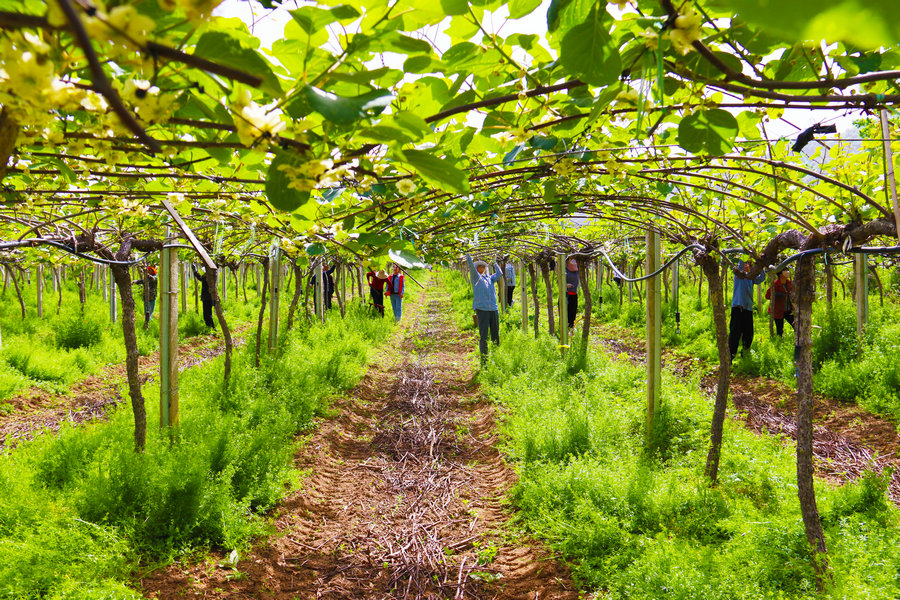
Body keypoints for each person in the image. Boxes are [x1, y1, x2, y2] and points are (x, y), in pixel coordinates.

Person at [465, 254, 503, 357]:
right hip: (482, 310)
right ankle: (484, 355)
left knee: (495, 333)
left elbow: (500, 273)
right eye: (481, 266)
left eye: (484, 266)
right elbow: (471, 267)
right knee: (484, 334)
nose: (483, 267)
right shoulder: (476, 278)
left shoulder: (490, 279)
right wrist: (468, 255)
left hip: (494, 309)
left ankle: (496, 353)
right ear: (477, 268)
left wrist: (495, 263)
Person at [728, 260, 766, 362]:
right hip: (738, 308)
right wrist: (745, 256)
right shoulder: (739, 275)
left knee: (748, 334)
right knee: (735, 334)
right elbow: (740, 265)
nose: (747, 265)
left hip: (748, 309)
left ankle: (745, 354)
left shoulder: (751, 278)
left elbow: (761, 278)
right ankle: (730, 357)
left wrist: (760, 265)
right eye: (745, 264)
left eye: (749, 264)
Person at [765, 268, 795, 337]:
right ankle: (779, 342)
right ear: (780, 274)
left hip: (788, 310)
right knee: (780, 330)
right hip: (778, 311)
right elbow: (767, 296)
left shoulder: (789, 283)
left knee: (796, 325)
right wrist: (776, 294)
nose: (787, 272)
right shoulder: (775, 284)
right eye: (785, 271)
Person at [192, 264, 216, 330]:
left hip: (207, 297)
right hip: (210, 297)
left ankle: (211, 326)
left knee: (207, 313)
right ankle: (210, 326)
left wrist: (195, 271)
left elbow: (200, 278)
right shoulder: (212, 276)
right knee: (208, 312)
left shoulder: (207, 277)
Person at [565, 258, 579, 330]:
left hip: (574, 294)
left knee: (572, 313)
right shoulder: (564, 270)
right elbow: (559, 282)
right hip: (565, 295)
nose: (573, 262)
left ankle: (570, 328)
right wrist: (566, 285)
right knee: (565, 313)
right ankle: (564, 329)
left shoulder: (577, 270)